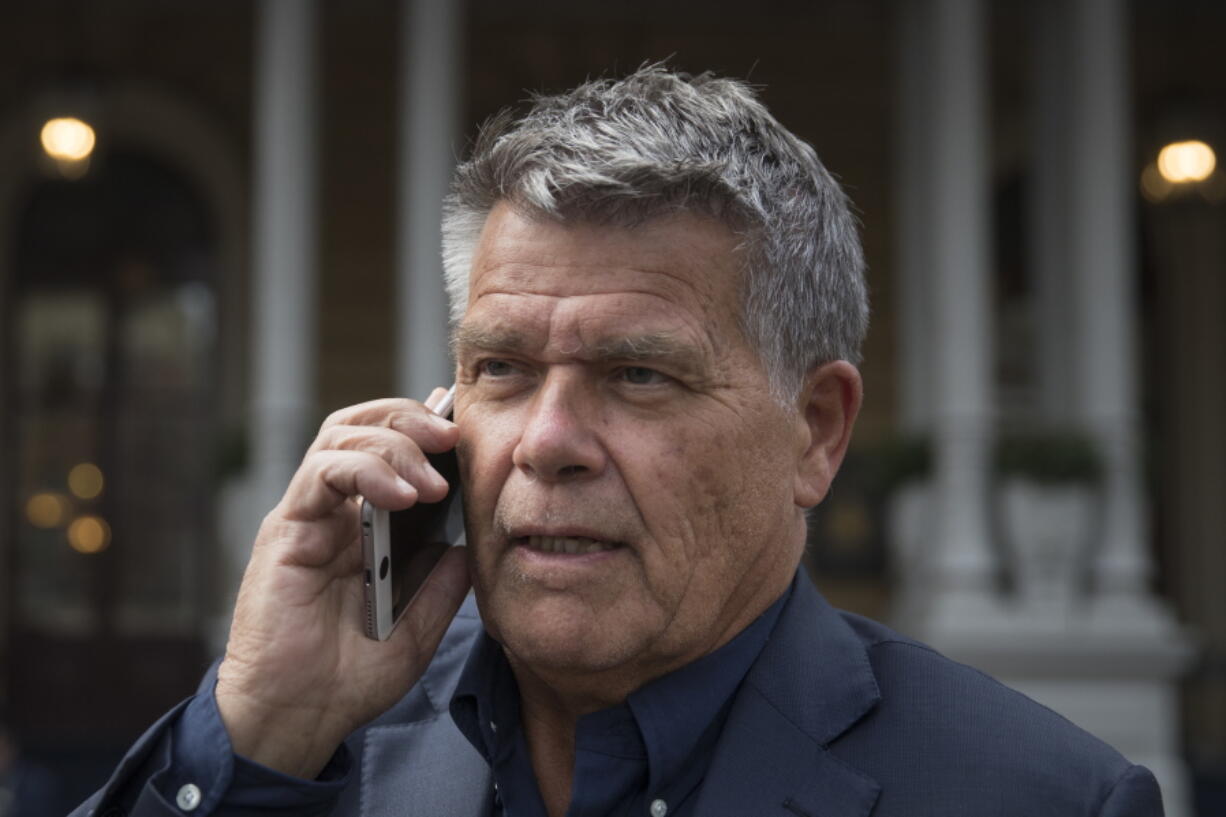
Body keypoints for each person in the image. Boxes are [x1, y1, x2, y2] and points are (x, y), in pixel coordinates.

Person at [73, 65, 1163, 817]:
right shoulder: (306, 754)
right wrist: (257, 733)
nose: (545, 443)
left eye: (637, 375)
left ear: (814, 432)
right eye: (499, 368)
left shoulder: (1030, 795)